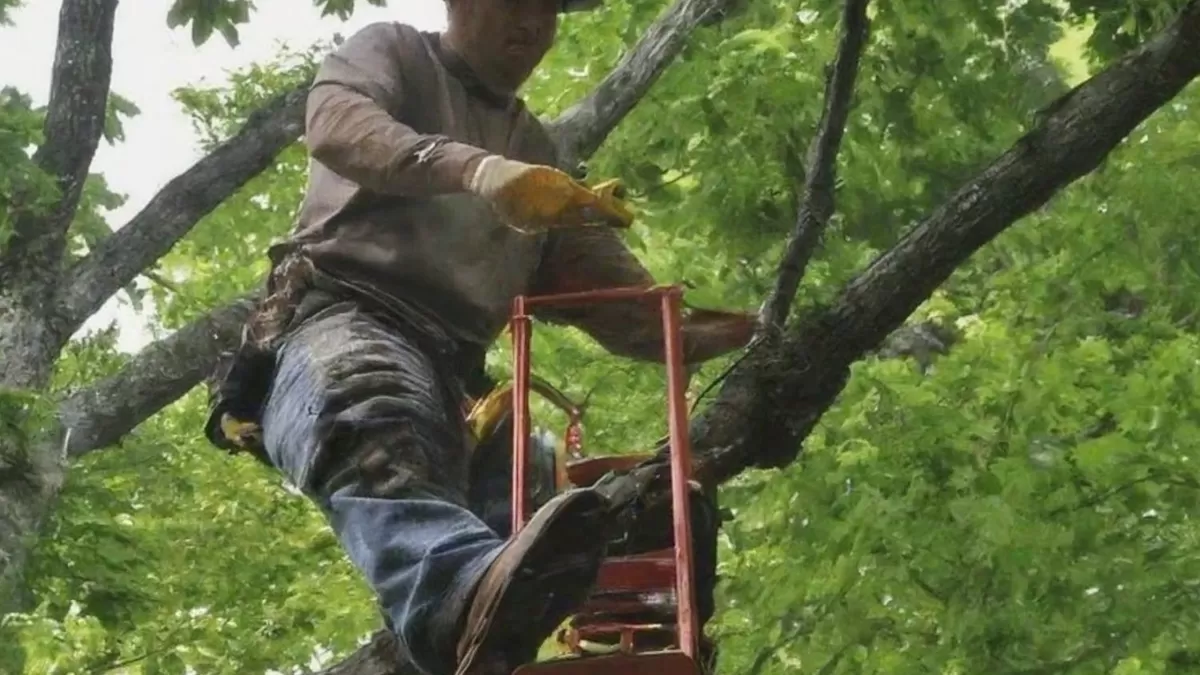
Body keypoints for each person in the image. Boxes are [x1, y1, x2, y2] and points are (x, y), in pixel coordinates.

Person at [203, 0, 756, 673]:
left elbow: (618, 302)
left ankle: (566, 634)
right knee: (374, 411)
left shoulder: (534, 151)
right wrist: (478, 171)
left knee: (550, 487)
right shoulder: (394, 53)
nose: (531, 24)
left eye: (547, 12)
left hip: (457, 378)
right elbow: (338, 126)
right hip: (341, 320)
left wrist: (727, 331)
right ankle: (459, 602)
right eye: (514, 3)